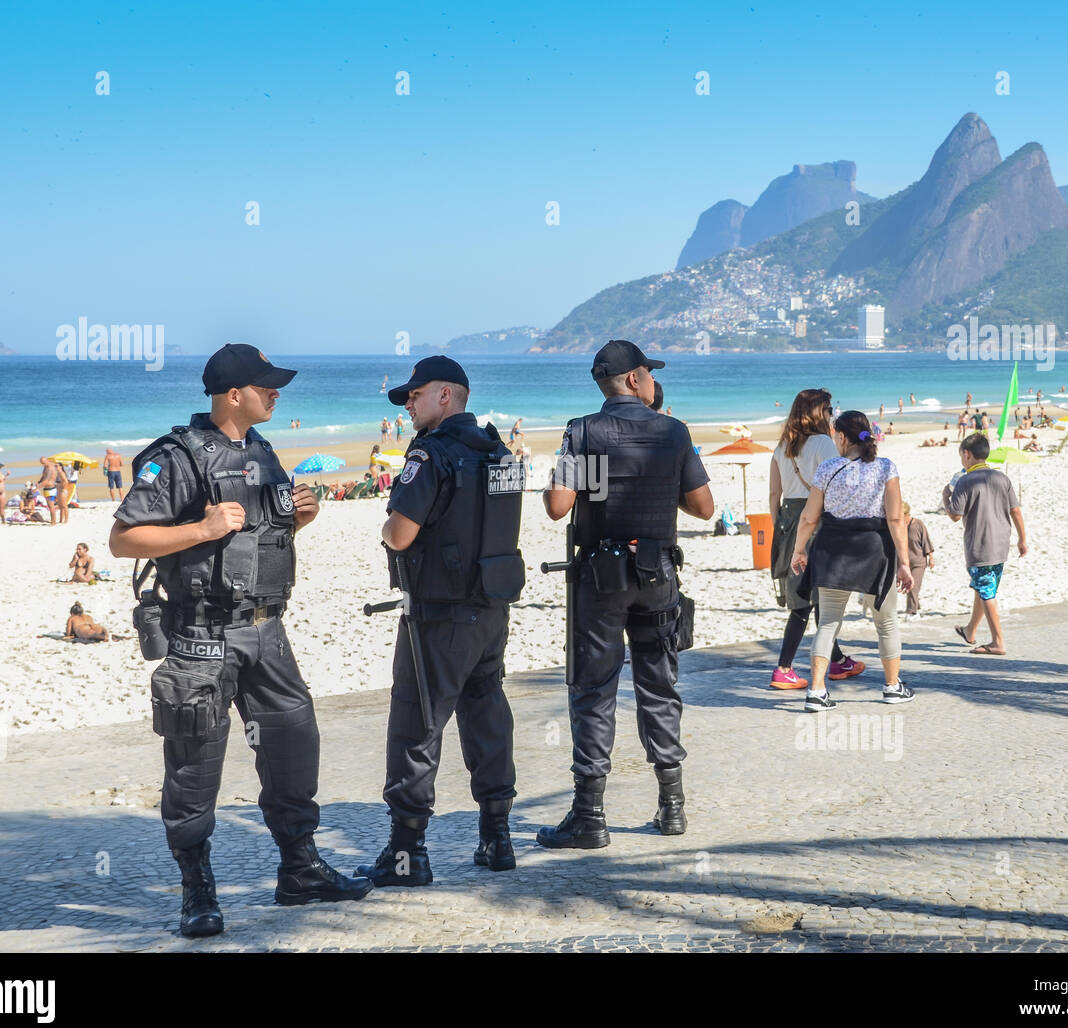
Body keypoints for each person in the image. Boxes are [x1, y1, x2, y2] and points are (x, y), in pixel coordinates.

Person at [109, 343, 372, 938]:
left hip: (268, 630)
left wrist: (302, 515)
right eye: (265, 386)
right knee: (194, 766)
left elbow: (268, 529)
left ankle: (299, 870)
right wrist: (199, 528)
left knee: (293, 748)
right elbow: (123, 540)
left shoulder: (262, 451)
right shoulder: (173, 457)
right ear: (234, 394)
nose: (275, 393)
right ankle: (196, 889)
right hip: (201, 633)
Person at [537, 340, 714, 849]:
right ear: (635, 379)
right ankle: (672, 806)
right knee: (660, 685)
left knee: (594, 690)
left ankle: (590, 816)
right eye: (650, 373)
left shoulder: (584, 432)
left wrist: (588, 473)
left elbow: (558, 505)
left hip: (600, 578)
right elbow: (704, 508)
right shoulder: (673, 432)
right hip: (658, 572)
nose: (654, 381)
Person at [356, 356, 525, 886]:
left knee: (416, 720)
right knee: (487, 714)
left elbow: (401, 533)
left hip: (439, 614)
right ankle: (497, 839)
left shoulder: (431, 454)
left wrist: (386, 530)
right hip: (491, 609)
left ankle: (407, 855)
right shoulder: (498, 451)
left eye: (415, 394)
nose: (408, 403)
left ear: (447, 396)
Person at [790, 410, 914, 710]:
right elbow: (896, 518)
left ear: (842, 437)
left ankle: (817, 692)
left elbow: (809, 517)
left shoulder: (828, 469)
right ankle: (892, 687)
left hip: (833, 549)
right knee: (886, 623)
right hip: (875, 549)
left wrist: (799, 549)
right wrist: (905, 561)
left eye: (836, 435)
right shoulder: (886, 468)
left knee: (829, 623)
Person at [768, 389, 864, 691]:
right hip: (817, 519)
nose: (831, 413)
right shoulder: (823, 443)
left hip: (788, 520)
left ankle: (835, 660)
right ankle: (783, 667)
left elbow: (774, 494)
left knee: (810, 595)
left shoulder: (782, 446)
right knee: (815, 597)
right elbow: (836, 486)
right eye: (828, 408)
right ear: (816, 412)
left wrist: (781, 528)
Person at [944, 434, 1028, 656]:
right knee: (983, 587)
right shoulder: (1002, 478)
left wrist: (945, 496)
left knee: (986, 592)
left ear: (967, 454)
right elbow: (1016, 511)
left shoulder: (964, 480)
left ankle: (998, 642)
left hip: (980, 544)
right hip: (1001, 543)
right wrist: (1022, 538)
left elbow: (954, 515)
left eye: (962, 455)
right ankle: (970, 630)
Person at [903, 503, 934, 619]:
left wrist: (931, 558)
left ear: (907, 514)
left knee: (912, 587)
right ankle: (917, 608)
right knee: (910, 588)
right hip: (904, 564)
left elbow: (926, 541)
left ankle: (912, 612)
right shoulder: (898, 526)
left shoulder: (918, 524)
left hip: (919, 563)